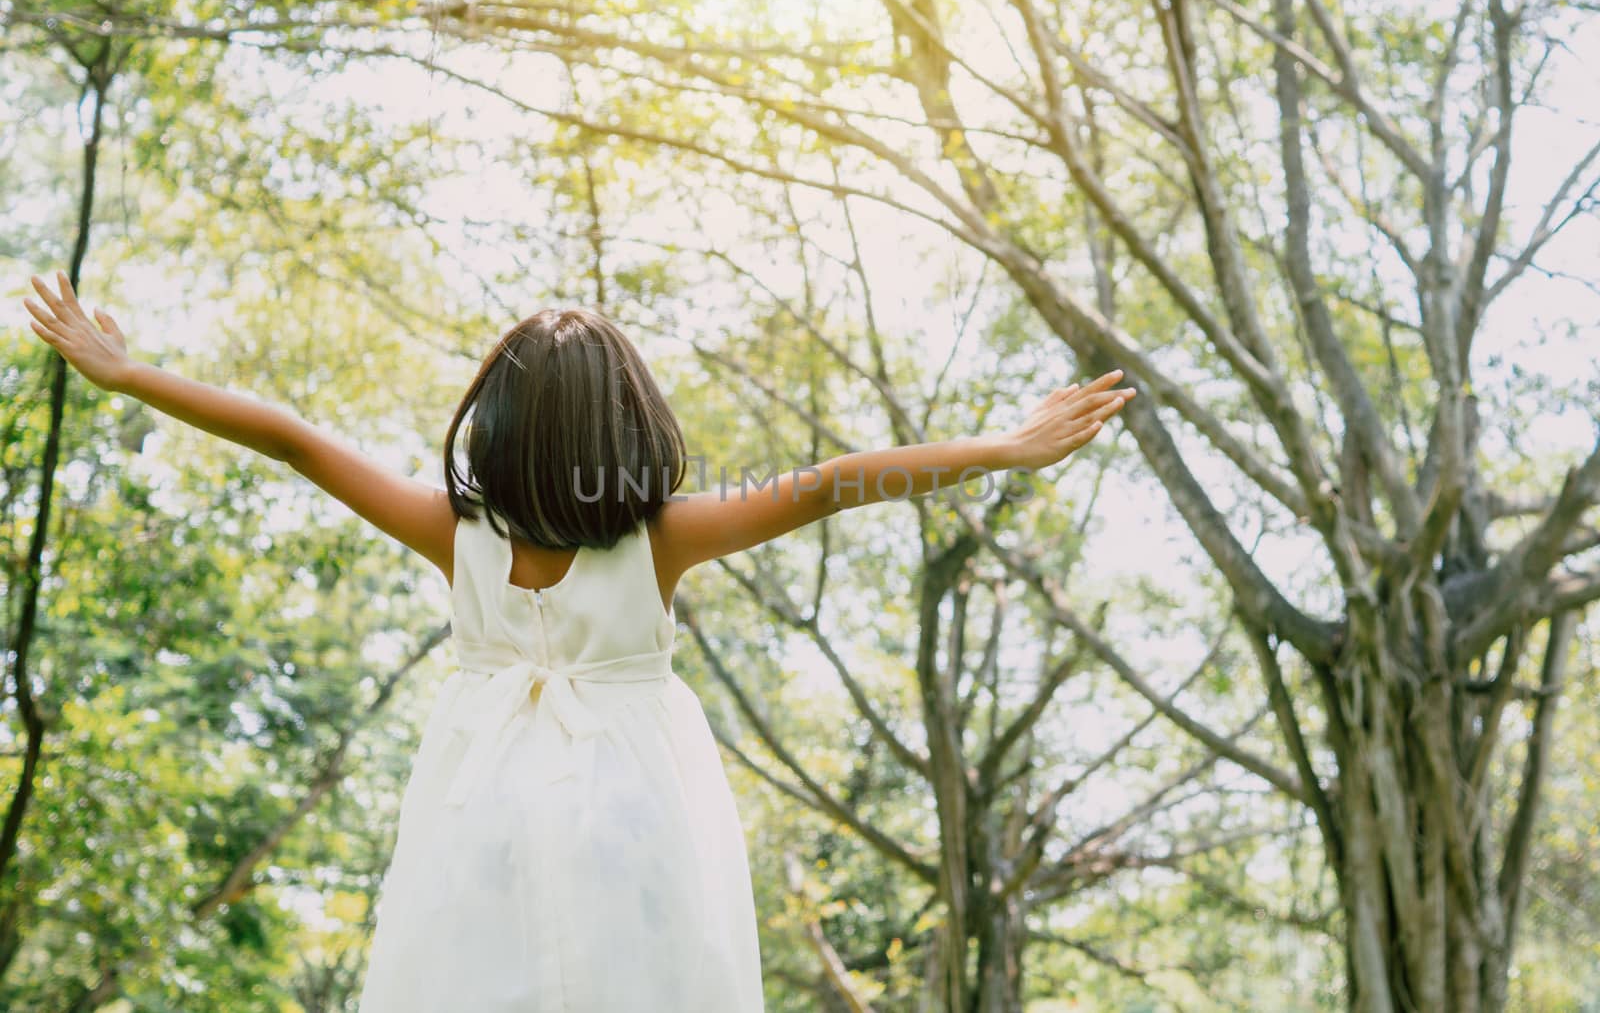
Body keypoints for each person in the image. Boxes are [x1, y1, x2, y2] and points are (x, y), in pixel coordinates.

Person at [21, 270, 1134, 1011]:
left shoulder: (449, 531)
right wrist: (1000, 447)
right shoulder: (665, 538)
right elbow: (838, 485)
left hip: (482, 810)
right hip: (631, 813)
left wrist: (128, 373)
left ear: (491, 428)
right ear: (628, 423)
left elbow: (295, 441)